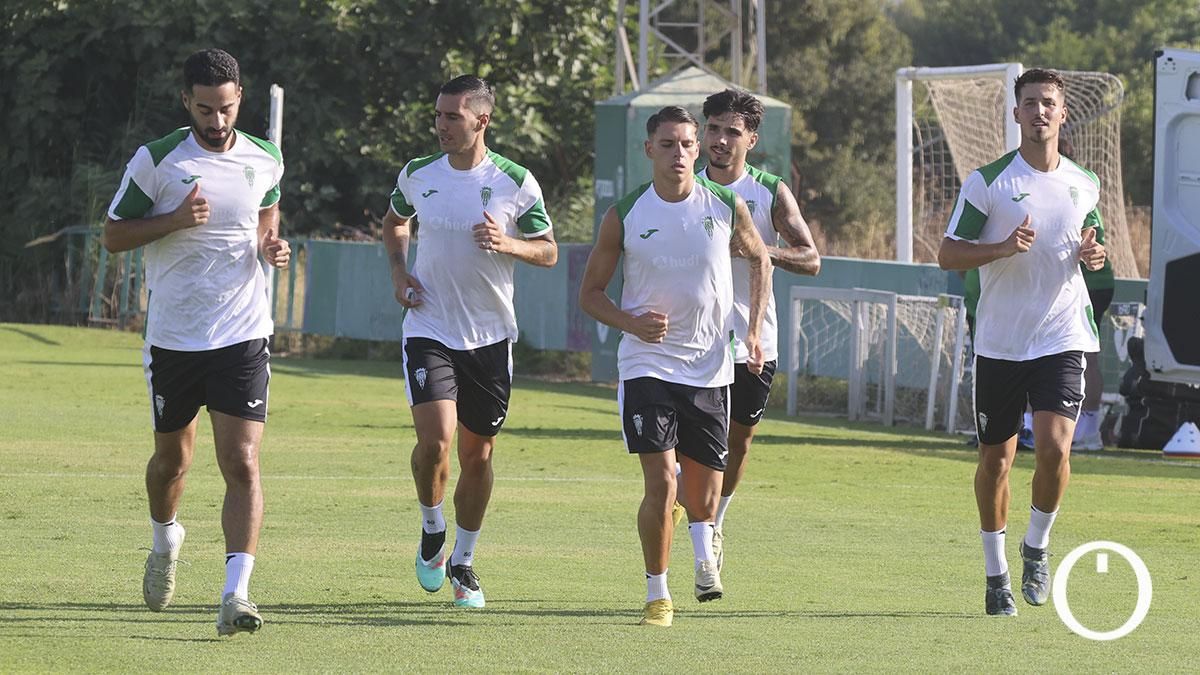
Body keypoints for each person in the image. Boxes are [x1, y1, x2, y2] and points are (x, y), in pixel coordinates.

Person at [103, 48, 289, 636]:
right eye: (205, 109)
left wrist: (271, 247)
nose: (217, 121)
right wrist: (174, 220)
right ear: (187, 100)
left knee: (242, 460)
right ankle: (165, 540)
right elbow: (113, 236)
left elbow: (267, 217)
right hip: (175, 338)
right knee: (171, 462)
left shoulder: (265, 157)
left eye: (227, 108)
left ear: (240, 100)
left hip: (243, 332)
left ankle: (237, 594)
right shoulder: (156, 161)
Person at [579, 105, 771, 627]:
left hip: (710, 368)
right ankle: (657, 595)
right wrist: (629, 322)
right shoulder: (625, 213)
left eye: (688, 144)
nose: (680, 154)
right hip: (647, 364)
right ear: (649, 150)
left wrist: (752, 332)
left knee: (703, 496)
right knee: (662, 482)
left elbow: (759, 258)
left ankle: (703, 546)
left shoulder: (726, 204)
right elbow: (590, 294)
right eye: (668, 144)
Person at [382, 75, 557, 609]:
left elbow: (548, 250)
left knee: (477, 457)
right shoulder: (417, 174)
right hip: (429, 326)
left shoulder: (516, 181)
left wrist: (508, 243)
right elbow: (395, 224)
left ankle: (464, 560)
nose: (441, 126)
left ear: (482, 120)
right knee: (435, 440)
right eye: (438, 115)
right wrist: (399, 273)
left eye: (452, 117)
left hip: (490, 338)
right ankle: (432, 527)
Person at [939, 68, 1107, 616]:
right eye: (1030, 103)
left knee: (1057, 447)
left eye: (1049, 103)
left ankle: (1036, 547)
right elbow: (949, 253)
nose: (1039, 112)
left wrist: (1094, 254)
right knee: (997, 461)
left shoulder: (1085, 183)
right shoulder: (988, 181)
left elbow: (1094, 244)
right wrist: (1003, 247)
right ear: (1016, 114)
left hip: (1062, 335)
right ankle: (996, 575)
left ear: (1062, 113)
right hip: (1000, 342)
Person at [697, 88, 820, 573]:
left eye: (732, 132)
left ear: (751, 138)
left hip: (754, 340)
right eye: (713, 129)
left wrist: (758, 251)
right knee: (696, 439)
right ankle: (697, 521)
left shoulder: (769, 191)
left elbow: (811, 259)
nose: (720, 140)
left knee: (739, 440)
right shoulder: (682, 186)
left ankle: (717, 520)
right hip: (695, 339)